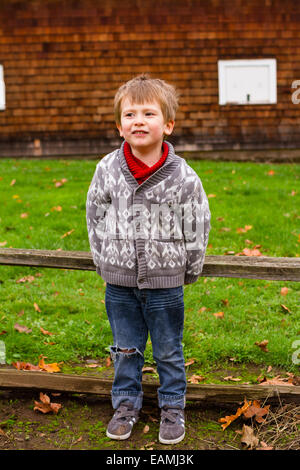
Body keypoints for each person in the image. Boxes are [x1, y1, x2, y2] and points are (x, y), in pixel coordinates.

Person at [86, 74, 211, 445]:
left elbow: (197, 222)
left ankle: (173, 406)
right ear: (119, 125)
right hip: (119, 282)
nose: (138, 121)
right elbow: (94, 214)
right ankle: (126, 404)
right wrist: (102, 257)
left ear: (168, 124)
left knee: (170, 349)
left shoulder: (183, 176)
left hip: (167, 282)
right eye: (129, 115)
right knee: (126, 348)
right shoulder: (107, 169)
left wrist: (190, 266)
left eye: (148, 114)